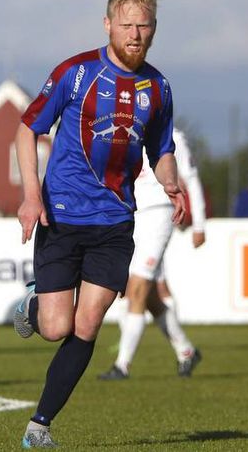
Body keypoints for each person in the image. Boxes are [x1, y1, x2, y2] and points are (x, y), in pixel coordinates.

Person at [12, 0, 184, 447]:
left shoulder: (158, 88)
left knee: (86, 325)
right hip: (62, 215)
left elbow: (161, 149)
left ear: (154, 30)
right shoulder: (77, 73)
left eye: (143, 26)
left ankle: (39, 425)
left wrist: (171, 181)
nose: (134, 34)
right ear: (108, 24)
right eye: (126, 24)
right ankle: (34, 301)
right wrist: (31, 195)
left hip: (114, 223)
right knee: (55, 328)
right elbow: (28, 129)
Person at [98, 128, 206, 381]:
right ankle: (186, 351)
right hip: (133, 213)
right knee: (146, 294)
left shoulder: (174, 136)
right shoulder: (127, 132)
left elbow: (191, 178)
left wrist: (199, 225)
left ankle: (122, 365)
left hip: (160, 213)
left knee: (137, 287)